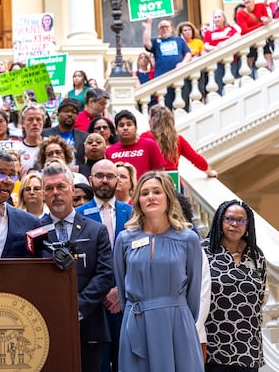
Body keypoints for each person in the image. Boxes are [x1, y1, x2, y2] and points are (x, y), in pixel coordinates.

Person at [113, 171, 203, 371]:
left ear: (169, 197)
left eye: (157, 191)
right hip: (136, 322)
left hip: (176, 325)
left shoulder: (188, 239)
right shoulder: (124, 239)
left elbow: (194, 292)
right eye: (144, 193)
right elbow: (121, 285)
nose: (151, 197)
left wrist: (180, 318)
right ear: (138, 200)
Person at [40, 162, 113, 371]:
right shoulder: (33, 231)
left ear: (72, 190)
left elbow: (105, 275)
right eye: (49, 188)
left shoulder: (96, 230)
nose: (55, 193)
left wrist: (77, 307)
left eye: (61, 187)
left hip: (90, 324)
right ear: (43, 194)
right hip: (47, 325)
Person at [75, 159, 133, 372]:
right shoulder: (78, 214)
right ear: (90, 180)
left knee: (125, 362)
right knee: (97, 363)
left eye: (110, 176)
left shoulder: (132, 213)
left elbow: (138, 259)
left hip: (125, 300)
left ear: (117, 180)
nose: (105, 181)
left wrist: (120, 290)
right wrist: (99, 292)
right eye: (99, 176)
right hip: (93, 305)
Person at [203, 200, 266, 372]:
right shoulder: (203, 252)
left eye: (241, 220)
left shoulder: (256, 255)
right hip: (214, 347)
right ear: (220, 221)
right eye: (229, 219)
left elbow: (260, 298)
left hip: (248, 349)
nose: (234, 224)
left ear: (247, 225)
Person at [140, 105, 218, 177]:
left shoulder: (145, 137)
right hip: (173, 182)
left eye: (149, 118)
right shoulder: (177, 139)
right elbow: (196, 159)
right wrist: (210, 172)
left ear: (152, 121)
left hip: (152, 180)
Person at [143, 18, 192, 108]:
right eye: (162, 27)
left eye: (166, 27)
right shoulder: (156, 42)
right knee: (166, 107)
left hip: (179, 75)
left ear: (171, 28)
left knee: (183, 104)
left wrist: (183, 63)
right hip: (163, 78)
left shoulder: (179, 40)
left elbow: (188, 54)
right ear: (158, 31)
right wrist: (149, 23)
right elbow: (146, 42)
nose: (164, 29)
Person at [105, 110, 166, 179]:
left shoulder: (149, 145)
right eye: (121, 125)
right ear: (116, 130)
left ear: (136, 128)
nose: (125, 128)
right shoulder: (109, 151)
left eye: (129, 124)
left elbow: (160, 172)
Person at [42, 98, 89, 165]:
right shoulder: (46, 134)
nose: (70, 114)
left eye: (74, 112)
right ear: (58, 114)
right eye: (66, 111)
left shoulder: (84, 137)